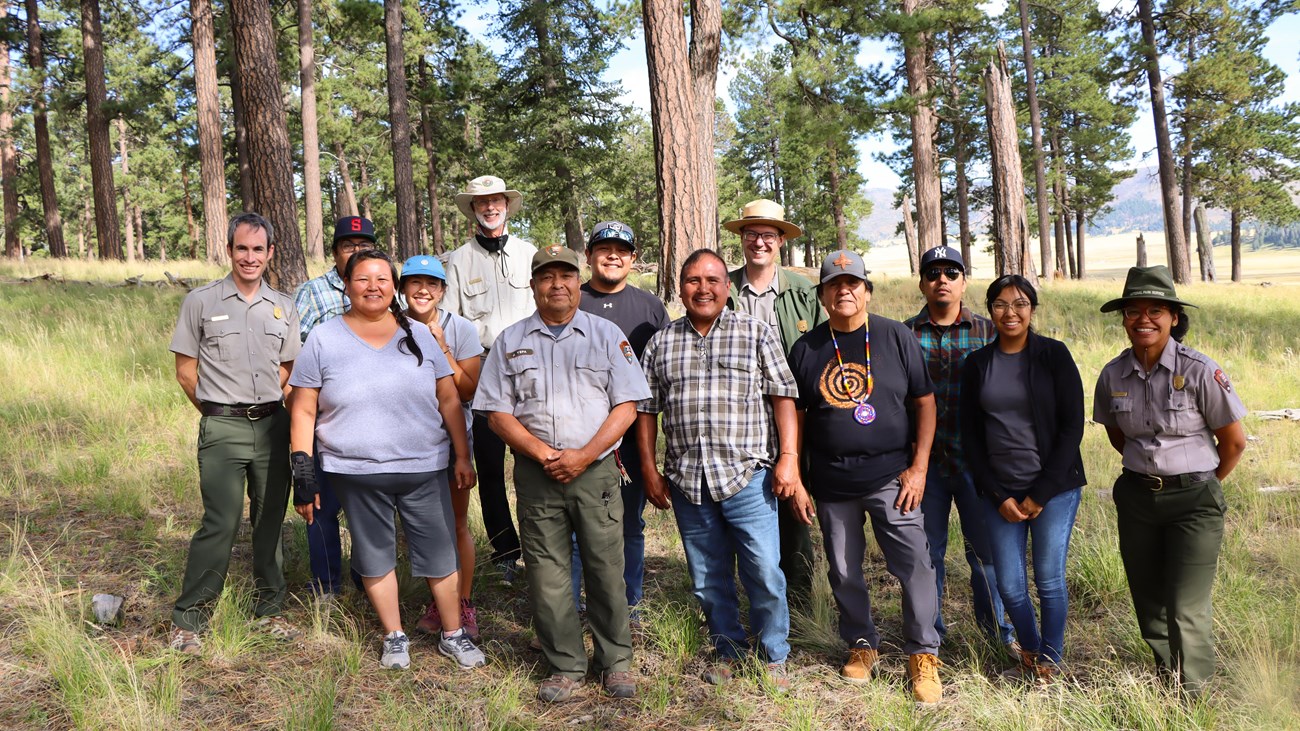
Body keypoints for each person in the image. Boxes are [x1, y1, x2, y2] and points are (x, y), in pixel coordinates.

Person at [288, 249, 485, 671]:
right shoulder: (323, 338)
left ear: (393, 286)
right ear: (346, 285)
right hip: (355, 471)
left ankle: (453, 633)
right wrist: (302, 471)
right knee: (375, 555)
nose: (373, 286)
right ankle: (394, 636)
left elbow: (449, 397)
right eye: (363, 279)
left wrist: (462, 454)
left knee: (439, 553)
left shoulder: (418, 334)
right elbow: (303, 409)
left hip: (423, 466)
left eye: (382, 278)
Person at [474, 245, 650, 702]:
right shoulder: (510, 341)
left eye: (565, 276)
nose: (557, 284)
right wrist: (542, 452)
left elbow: (627, 405)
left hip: (595, 473)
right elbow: (496, 411)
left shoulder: (607, 335)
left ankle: (615, 663)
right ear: (533, 285)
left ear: (578, 280)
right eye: (546, 276)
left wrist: (585, 454)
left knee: (605, 569)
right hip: (538, 475)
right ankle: (565, 666)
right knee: (547, 573)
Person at [638, 248, 812, 692]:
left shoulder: (755, 333)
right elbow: (646, 410)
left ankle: (774, 656)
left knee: (765, 572)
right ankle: (728, 650)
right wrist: (649, 468)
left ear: (727, 287)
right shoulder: (661, 342)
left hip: (748, 476)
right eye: (693, 281)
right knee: (707, 577)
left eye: (713, 280)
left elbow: (783, 397)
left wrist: (788, 460)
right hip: (687, 480)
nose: (703, 288)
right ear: (680, 289)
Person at [788, 249, 942, 704]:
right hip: (833, 484)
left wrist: (919, 467)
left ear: (867, 291)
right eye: (834, 285)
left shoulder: (896, 337)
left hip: (893, 479)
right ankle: (861, 644)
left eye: (853, 283)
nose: (845, 291)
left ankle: (923, 655)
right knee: (843, 570)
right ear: (821, 295)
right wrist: (795, 474)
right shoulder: (808, 348)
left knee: (915, 567)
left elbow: (925, 403)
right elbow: (794, 416)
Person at [1093, 265, 1247, 696]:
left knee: (1186, 606)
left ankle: (1193, 699)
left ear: (1174, 317)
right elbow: (1118, 436)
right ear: (1123, 318)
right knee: (1148, 602)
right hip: (1138, 498)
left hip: (1194, 500)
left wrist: (1201, 483)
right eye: (1134, 311)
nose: (1144, 319)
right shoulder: (1112, 375)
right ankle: (1168, 678)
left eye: (1156, 310)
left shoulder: (1200, 370)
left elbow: (1233, 442)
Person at [167, 212, 302, 654]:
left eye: (258, 249)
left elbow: (288, 366)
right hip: (222, 426)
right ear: (229, 250)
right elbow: (186, 370)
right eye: (242, 248)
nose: (250, 257)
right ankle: (191, 617)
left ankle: (270, 609)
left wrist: (266, 402)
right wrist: (215, 410)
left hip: (272, 425)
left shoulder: (283, 305)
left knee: (269, 519)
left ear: (270, 254)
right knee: (219, 522)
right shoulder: (201, 301)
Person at [959, 275, 1086, 683]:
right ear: (989, 310)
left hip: (1054, 490)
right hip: (1000, 493)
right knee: (1010, 586)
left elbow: (1071, 428)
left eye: (1019, 304)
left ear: (1032, 309)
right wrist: (997, 495)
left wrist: (1041, 493)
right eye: (999, 304)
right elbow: (971, 439)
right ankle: (1030, 651)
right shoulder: (977, 365)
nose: (1009, 312)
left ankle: (1050, 661)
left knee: (1049, 581)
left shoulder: (1054, 355)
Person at [904, 245, 1015, 654]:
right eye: (933, 273)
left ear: (964, 281)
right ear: (922, 284)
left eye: (951, 272)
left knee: (985, 556)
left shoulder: (991, 332)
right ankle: (929, 638)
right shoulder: (903, 335)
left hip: (978, 466)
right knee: (925, 556)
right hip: (923, 467)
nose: (942, 280)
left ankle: (997, 637)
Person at [722, 198, 825, 609]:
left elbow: (823, 355)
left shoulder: (803, 292)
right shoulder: (723, 288)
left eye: (768, 235)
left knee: (793, 503)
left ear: (781, 241)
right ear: (741, 239)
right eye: (752, 234)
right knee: (741, 508)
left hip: (796, 415)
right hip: (737, 419)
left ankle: (799, 602)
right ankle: (743, 597)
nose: (759, 242)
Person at [443, 175, 537, 584]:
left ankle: (540, 546)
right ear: (474, 209)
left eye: (496, 199)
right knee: (490, 462)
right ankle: (504, 550)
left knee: (533, 460)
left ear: (506, 204)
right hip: (482, 370)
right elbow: (448, 320)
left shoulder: (529, 254)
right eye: (481, 201)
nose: (490, 206)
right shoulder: (458, 260)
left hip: (531, 368)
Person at [576, 221, 669, 624]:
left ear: (633, 258)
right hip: (580, 436)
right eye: (603, 248)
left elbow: (666, 369)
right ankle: (575, 603)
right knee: (578, 528)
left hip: (633, 436)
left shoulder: (650, 307)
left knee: (630, 523)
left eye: (621, 249)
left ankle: (629, 602)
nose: (612, 255)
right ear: (589, 256)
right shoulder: (571, 299)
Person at [400, 255, 486, 640]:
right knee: (417, 526)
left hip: (451, 440)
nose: (423, 290)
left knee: (454, 523)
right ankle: (433, 595)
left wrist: (440, 346)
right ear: (403, 288)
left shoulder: (460, 328)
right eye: (414, 282)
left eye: (431, 284)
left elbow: (468, 389)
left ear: (442, 290)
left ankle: (460, 603)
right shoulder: (389, 325)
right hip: (405, 441)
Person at [292, 215, 377, 597]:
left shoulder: (384, 290)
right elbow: (293, 354)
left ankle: (367, 579)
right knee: (322, 504)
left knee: (368, 506)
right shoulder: (311, 293)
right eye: (348, 246)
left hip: (373, 419)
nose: (356, 252)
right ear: (335, 252)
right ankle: (326, 582)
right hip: (324, 418)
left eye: (364, 246)